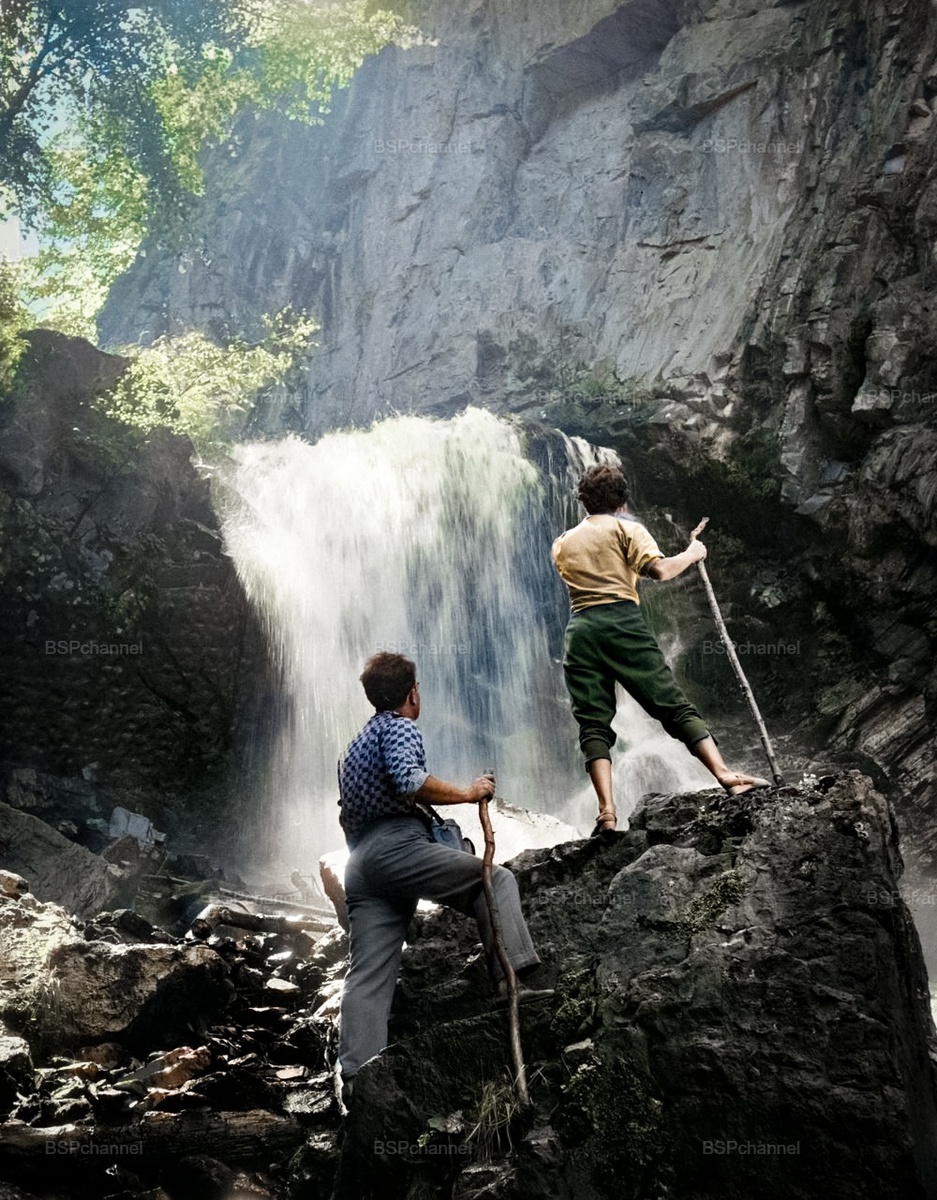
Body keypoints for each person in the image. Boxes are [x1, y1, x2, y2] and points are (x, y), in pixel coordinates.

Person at [336, 652, 546, 1107]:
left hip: (361, 863)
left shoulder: (351, 748)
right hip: (396, 846)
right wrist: (469, 793)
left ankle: (357, 1079)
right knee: (495, 882)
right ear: (412, 693)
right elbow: (410, 781)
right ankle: (513, 986)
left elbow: (346, 813)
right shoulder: (400, 726)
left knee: (369, 972)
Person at [552, 464, 768, 837]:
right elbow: (661, 571)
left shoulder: (563, 542)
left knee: (592, 721)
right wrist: (693, 553)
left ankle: (606, 813)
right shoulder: (627, 528)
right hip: (621, 622)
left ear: (584, 501)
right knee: (671, 704)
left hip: (580, 629)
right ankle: (726, 776)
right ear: (622, 500)